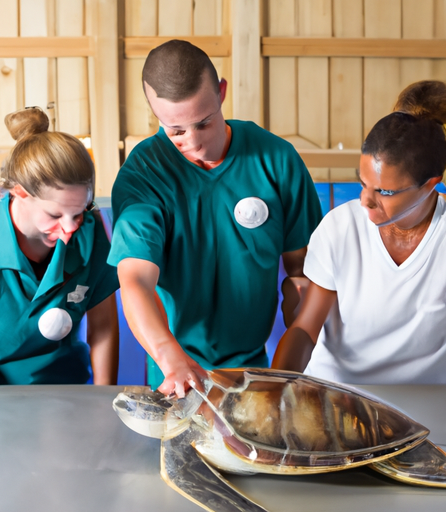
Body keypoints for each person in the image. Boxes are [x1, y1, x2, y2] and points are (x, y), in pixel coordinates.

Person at [108, 39, 322, 397]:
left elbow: (306, 272)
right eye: (175, 131)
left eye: (203, 123)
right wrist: (169, 357)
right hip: (174, 367)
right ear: (155, 112)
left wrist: (301, 333)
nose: (192, 142)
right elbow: (136, 281)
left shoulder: (276, 159)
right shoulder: (142, 175)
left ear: (221, 93)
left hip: (256, 365)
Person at [272, 80, 446, 384]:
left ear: (430, 185)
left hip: (425, 412)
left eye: (385, 191)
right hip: (336, 398)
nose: (365, 199)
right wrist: (271, 391)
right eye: (362, 182)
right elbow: (304, 328)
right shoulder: (341, 227)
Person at [0, 107, 119, 386]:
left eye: (79, 212)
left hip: (65, 394)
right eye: (55, 216)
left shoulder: (90, 232)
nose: (70, 231)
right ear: (19, 193)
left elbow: (103, 329)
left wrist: (107, 407)